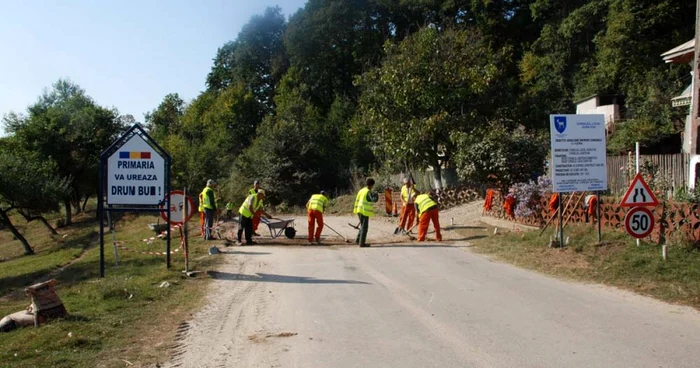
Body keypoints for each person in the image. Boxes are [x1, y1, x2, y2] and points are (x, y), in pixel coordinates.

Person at [353, 178, 378, 247]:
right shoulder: (368, 191)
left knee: (362, 226)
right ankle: (362, 243)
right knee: (364, 227)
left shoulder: (361, 190)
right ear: (371, 185)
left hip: (359, 210)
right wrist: (376, 195)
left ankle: (358, 240)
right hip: (364, 211)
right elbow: (374, 200)